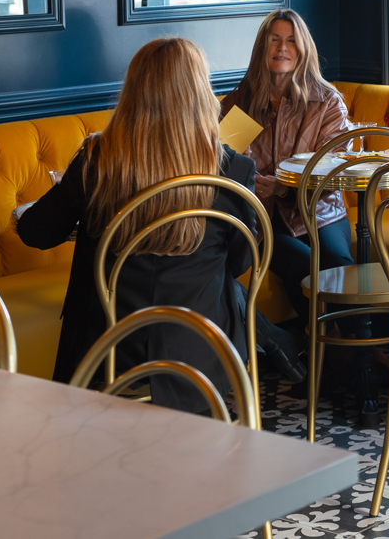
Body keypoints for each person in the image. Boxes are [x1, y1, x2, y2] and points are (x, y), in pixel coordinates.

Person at [17, 37, 261, 413]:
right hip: (200, 346)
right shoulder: (234, 170)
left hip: (109, 345)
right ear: (200, 92)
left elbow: (36, 233)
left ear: (132, 91)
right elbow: (243, 262)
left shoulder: (97, 159)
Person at [219, 9, 354, 323]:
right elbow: (227, 163)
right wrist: (262, 187)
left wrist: (285, 186)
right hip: (261, 216)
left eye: (291, 41)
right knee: (304, 266)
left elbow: (332, 170)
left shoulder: (327, 103)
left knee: (339, 263)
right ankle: (330, 349)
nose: (282, 47)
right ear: (262, 49)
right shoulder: (242, 103)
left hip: (319, 210)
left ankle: (353, 351)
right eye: (275, 39)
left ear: (303, 50)